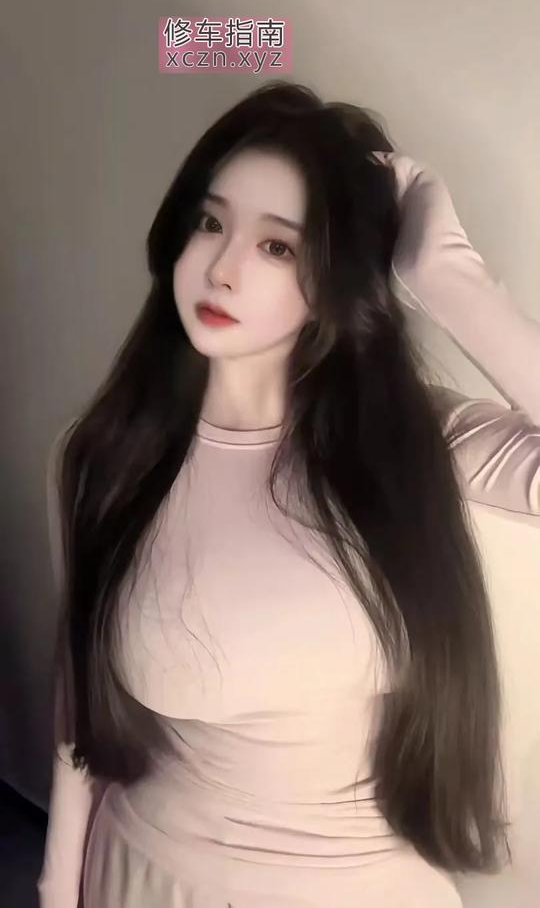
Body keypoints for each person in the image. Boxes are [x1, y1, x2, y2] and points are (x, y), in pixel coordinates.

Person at [37, 81, 540, 908]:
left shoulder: (415, 444)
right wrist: (58, 888)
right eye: (210, 224)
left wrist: (449, 277)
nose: (222, 269)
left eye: (277, 246)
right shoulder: (104, 455)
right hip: (148, 875)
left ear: (335, 279)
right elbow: (78, 708)